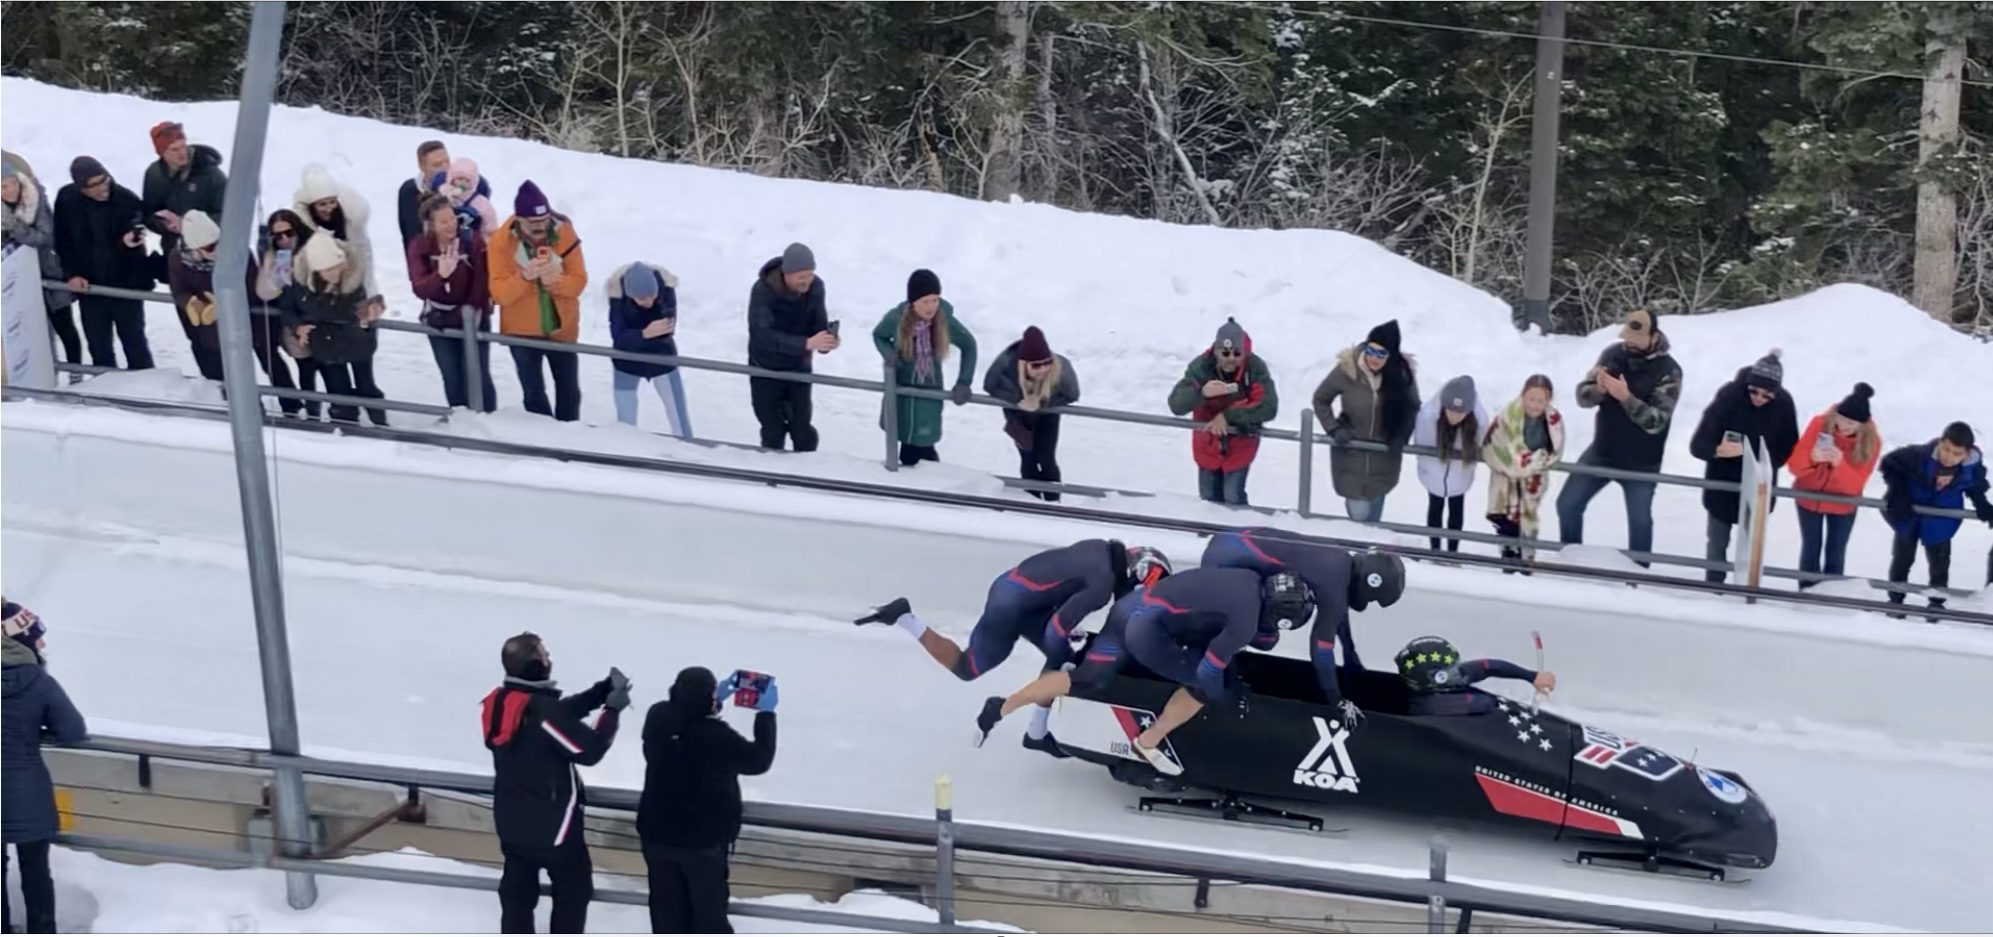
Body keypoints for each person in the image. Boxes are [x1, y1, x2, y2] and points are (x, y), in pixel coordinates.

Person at [858, 540, 1171, 757]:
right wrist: (1073, 647)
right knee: (971, 668)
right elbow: (1058, 627)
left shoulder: (1102, 550)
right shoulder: (1103, 586)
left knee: (1064, 656)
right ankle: (906, 619)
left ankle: (1036, 734)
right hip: (1011, 609)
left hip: (1018, 593)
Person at [480, 632, 631, 935]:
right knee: (573, 893)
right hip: (555, 829)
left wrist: (598, 692)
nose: (550, 660)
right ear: (535, 666)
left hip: (511, 823)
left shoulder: (498, 702)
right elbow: (590, 750)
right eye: (545, 655)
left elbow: (551, 716)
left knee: (517, 899)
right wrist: (611, 710)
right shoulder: (544, 712)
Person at [1200, 527, 1405, 711]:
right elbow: (1321, 648)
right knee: (1262, 635)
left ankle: (1224, 668)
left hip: (1230, 543)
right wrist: (1335, 699)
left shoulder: (1341, 560)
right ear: (1369, 582)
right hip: (1224, 563)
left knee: (1256, 614)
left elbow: (1338, 613)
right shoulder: (1335, 582)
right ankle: (1222, 684)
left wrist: (1351, 657)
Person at [637, 667, 778, 934]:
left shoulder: (658, 719)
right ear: (708, 699)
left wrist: (713, 700)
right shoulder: (719, 738)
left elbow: (679, 713)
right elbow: (759, 760)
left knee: (667, 916)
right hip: (701, 845)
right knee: (708, 919)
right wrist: (766, 714)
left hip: (657, 838)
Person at [1558, 308, 1683, 563]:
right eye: (1628, 339)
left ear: (1653, 336)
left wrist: (1626, 398)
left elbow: (1657, 421)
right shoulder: (1612, 354)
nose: (1631, 345)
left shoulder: (1669, 371)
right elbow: (1582, 395)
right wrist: (1599, 390)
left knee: (1640, 523)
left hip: (1642, 461)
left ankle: (1638, 575)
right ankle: (1571, 559)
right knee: (1567, 504)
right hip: (1603, 451)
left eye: (1637, 341)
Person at [2, 600, 88, 935]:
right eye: (36, 637)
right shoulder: (38, 683)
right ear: (20, 641)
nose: (42, 643)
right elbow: (73, 731)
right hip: (28, 794)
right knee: (35, 870)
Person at [1688, 350, 1800, 584]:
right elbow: (1699, 443)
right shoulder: (1729, 395)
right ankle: (1714, 587)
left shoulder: (1784, 404)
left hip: (1757, 487)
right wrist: (1717, 451)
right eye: (1754, 391)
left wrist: (1763, 463)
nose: (1759, 398)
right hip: (1722, 484)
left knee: (1751, 547)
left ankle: (1746, 592)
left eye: (1767, 395)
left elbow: (1789, 445)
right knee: (1717, 542)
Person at [293, 164, 389, 426]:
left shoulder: (351, 223)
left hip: (356, 299)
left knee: (365, 376)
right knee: (336, 381)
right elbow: (296, 281)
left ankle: (379, 423)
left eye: (331, 202)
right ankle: (345, 424)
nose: (328, 209)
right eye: (321, 204)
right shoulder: (301, 232)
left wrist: (369, 298)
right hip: (323, 313)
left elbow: (365, 261)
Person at [491, 180, 589, 421]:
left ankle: (570, 436)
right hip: (521, 330)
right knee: (534, 392)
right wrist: (525, 277)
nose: (540, 228)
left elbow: (578, 281)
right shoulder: (501, 242)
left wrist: (554, 282)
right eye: (533, 223)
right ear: (519, 219)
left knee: (569, 391)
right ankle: (544, 439)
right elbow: (499, 293)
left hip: (561, 327)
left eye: (543, 222)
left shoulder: (564, 232)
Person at [1878, 422, 1992, 618]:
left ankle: (1936, 603)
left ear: (1966, 454)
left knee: (1939, 563)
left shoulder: (1971, 468)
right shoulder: (1918, 455)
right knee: (1902, 558)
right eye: (1946, 449)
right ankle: (1896, 600)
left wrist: (1982, 504)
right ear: (1941, 442)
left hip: (1941, 518)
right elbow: (1890, 463)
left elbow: (1975, 486)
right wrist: (1898, 493)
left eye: (1957, 454)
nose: (1950, 457)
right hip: (1910, 515)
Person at [53, 156, 156, 370]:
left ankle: (146, 391)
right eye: (93, 185)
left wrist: (128, 242)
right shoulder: (66, 199)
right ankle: (104, 393)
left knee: (134, 341)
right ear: (80, 187)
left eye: (104, 180)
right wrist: (71, 274)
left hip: (125, 285)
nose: (102, 188)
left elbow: (137, 223)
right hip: (90, 286)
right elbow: (62, 241)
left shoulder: (126, 199)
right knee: (99, 346)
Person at [1312, 319, 1421, 523]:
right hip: (1351, 454)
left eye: (1382, 354)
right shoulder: (1348, 369)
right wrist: (1334, 429)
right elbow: (1321, 399)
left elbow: (1412, 407)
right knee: (1360, 515)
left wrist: (1401, 436)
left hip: (1384, 460)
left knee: (1373, 518)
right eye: (1371, 350)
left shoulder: (1401, 375)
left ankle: (1367, 553)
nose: (1374, 358)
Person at [279, 232, 388, 425]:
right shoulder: (300, 280)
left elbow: (357, 309)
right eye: (327, 270)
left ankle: (381, 425)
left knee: (366, 385)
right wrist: (298, 326)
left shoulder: (355, 276)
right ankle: (345, 428)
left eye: (337, 267)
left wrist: (369, 315)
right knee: (338, 390)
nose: (334, 274)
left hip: (356, 340)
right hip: (325, 344)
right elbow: (287, 307)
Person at [1167, 317, 1278, 506]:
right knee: (1208, 500)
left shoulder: (1255, 368)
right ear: (1216, 350)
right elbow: (1176, 404)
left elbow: (1268, 406)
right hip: (1207, 446)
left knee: (1233, 498)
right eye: (1225, 353)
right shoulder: (1202, 367)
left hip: (1240, 446)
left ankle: (1239, 534)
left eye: (1237, 353)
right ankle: (1208, 535)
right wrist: (1201, 393)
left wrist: (1228, 416)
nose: (1231, 359)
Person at [873, 269, 977, 466]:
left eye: (935, 300)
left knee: (925, 446)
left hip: (929, 392)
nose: (931, 307)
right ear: (913, 302)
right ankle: (909, 488)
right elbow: (879, 335)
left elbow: (969, 345)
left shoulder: (943, 320)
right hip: (901, 391)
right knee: (905, 445)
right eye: (925, 302)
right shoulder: (896, 318)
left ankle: (929, 489)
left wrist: (964, 382)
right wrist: (889, 355)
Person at [407, 193, 496, 412]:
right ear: (431, 225)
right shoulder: (420, 247)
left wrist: (470, 313)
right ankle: (460, 418)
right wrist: (442, 275)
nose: (451, 225)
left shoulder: (471, 240)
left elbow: (481, 283)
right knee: (451, 374)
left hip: (472, 317)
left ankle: (486, 417)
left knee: (477, 372)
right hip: (439, 319)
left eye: (452, 218)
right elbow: (420, 288)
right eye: (444, 221)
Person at [1786, 383, 1881, 586]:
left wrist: (1840, 465)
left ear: (1862, 425)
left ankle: (1831, 598)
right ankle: (1806, 595)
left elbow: (1855, 485)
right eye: (1843, 419)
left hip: (1843, 504)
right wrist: (1811, 458)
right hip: (1809, 496)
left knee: (1836, 553)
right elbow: (1794, 467)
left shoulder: (1872, 442)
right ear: (1836, 414)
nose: (1845, 426)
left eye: (1852, 424)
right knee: (1811, 548)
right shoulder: (1819, 423)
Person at [747, 243, 836, 450]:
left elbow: (817, 323)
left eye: (810, 274)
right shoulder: (763, 290)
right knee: (772, 428)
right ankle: (772, 474)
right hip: (765, 367)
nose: (806, 281)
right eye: (801, 276)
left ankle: (806, 471)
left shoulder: (816, 287)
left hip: (798, 366)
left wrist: (826, 341)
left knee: (802, 428)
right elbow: (763, 335)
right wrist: (806, 343)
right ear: (786, 274)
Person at [983, 326, 1078, 501]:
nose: (1042, 369)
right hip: (1017, 416)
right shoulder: (1006, 364)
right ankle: (1031, 501)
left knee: (1046, 458)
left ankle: (1053, 502)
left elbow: (1073, 394)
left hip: (1048, 415)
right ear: (1023, 363)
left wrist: (1042, 402)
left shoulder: (1061, 366)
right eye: (1036, 365)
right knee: (1028, 458)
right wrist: (1017, 400)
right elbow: (989, 385)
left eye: (1046, 363)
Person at [2, 152, 80, 364]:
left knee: (65, 327)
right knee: (31, 332)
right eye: (2, 187)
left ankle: (76, 371)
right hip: (17, 279)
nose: (9, 191)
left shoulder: (35, 200)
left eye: (11, 184)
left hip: (49, 271)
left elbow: (44, 237)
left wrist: (14, 227)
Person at [1482, 375, 1564, 564]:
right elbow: (1493, 444)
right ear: (1523, 396)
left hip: (1532, 480)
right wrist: (1516, 463)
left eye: (1540, 400)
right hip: (1506, 479)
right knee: (1506, 520)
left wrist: (1534, 461)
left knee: (1527, 520)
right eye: (1531, 399)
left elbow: (1554, 451)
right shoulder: (1508, 415)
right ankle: (1508, 557)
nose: (1535, 405)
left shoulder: (1553, 421)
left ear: (1548, 400)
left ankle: (1526, 559)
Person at [607, 261, 692, 437]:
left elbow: (666, 328)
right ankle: (626, 450)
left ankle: (686, 450)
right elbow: (618, 336)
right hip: (626, 362)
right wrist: (644, 334)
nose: (648, 301)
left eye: (651, 296)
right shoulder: (618, 297)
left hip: (663, 358)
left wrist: (640, 335)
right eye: (641, 298)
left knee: (679, 418)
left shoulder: (665, 289)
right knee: (625, 421)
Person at [252, 209, 321, 418]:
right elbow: (267, 292)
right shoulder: (280, 257)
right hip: (294, 320)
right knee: (306, 368)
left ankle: (342, 412)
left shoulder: (315, 249)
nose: (284, 240)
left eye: (288, 233)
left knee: (329, 370)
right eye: (278, 236)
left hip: (320, 317)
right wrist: (270, 265)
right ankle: (312, 411)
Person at [1412, 375, 1488, 552]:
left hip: (1459, 474)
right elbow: (1422, 444)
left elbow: (1483, 442)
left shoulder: (1478, 421)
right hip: (1435, 473)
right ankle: (1435, 549)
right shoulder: (1429, 417)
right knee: (1435, 506)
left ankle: (1452, 551)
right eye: (1451, 410)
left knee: (1456, 509)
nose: (1455, 416)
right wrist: (1427, 470)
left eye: (1460, 412)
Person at [1393, 636, 1555, 717]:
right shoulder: (1434, 706)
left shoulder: (1433, 685)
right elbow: (1486, 704)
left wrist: (1532, 676)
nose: (1460, 670)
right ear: (1438, 678)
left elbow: (1487, 666)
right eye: (1453, 669)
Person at [140, 121, 226, 256]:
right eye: (174, 149)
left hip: (209, 250)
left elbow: (228, 215)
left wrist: (188, 226)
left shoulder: (211, 174)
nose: (181, 153)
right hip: (174, 250)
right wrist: (162, 223)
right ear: (161, 153)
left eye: (183, 146)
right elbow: (149, 212)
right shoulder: (154, 174)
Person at [163, 209, 227, 380]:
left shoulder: (233, 252)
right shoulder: (178, 258)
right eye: (210, 247)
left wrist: (223, 305)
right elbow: (178, 290)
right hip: (202, 329)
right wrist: (192, 304)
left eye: (218, 242)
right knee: (212, 372)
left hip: (233, 327)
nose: (217, 249)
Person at [397, 139, 452, 246]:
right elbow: (410, 235)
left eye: (447, 162)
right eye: (437, 165)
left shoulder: (460, 188)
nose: (445, 169)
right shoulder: (410, 192)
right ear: (422, 167)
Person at [435, 157, 500, 243]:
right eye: (460, 179)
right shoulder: (440, 193)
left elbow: (491, 231)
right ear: (451, 179)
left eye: (467, 180)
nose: (463, 183)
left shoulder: (482, 204)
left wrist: (483, 245)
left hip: (470, 245)